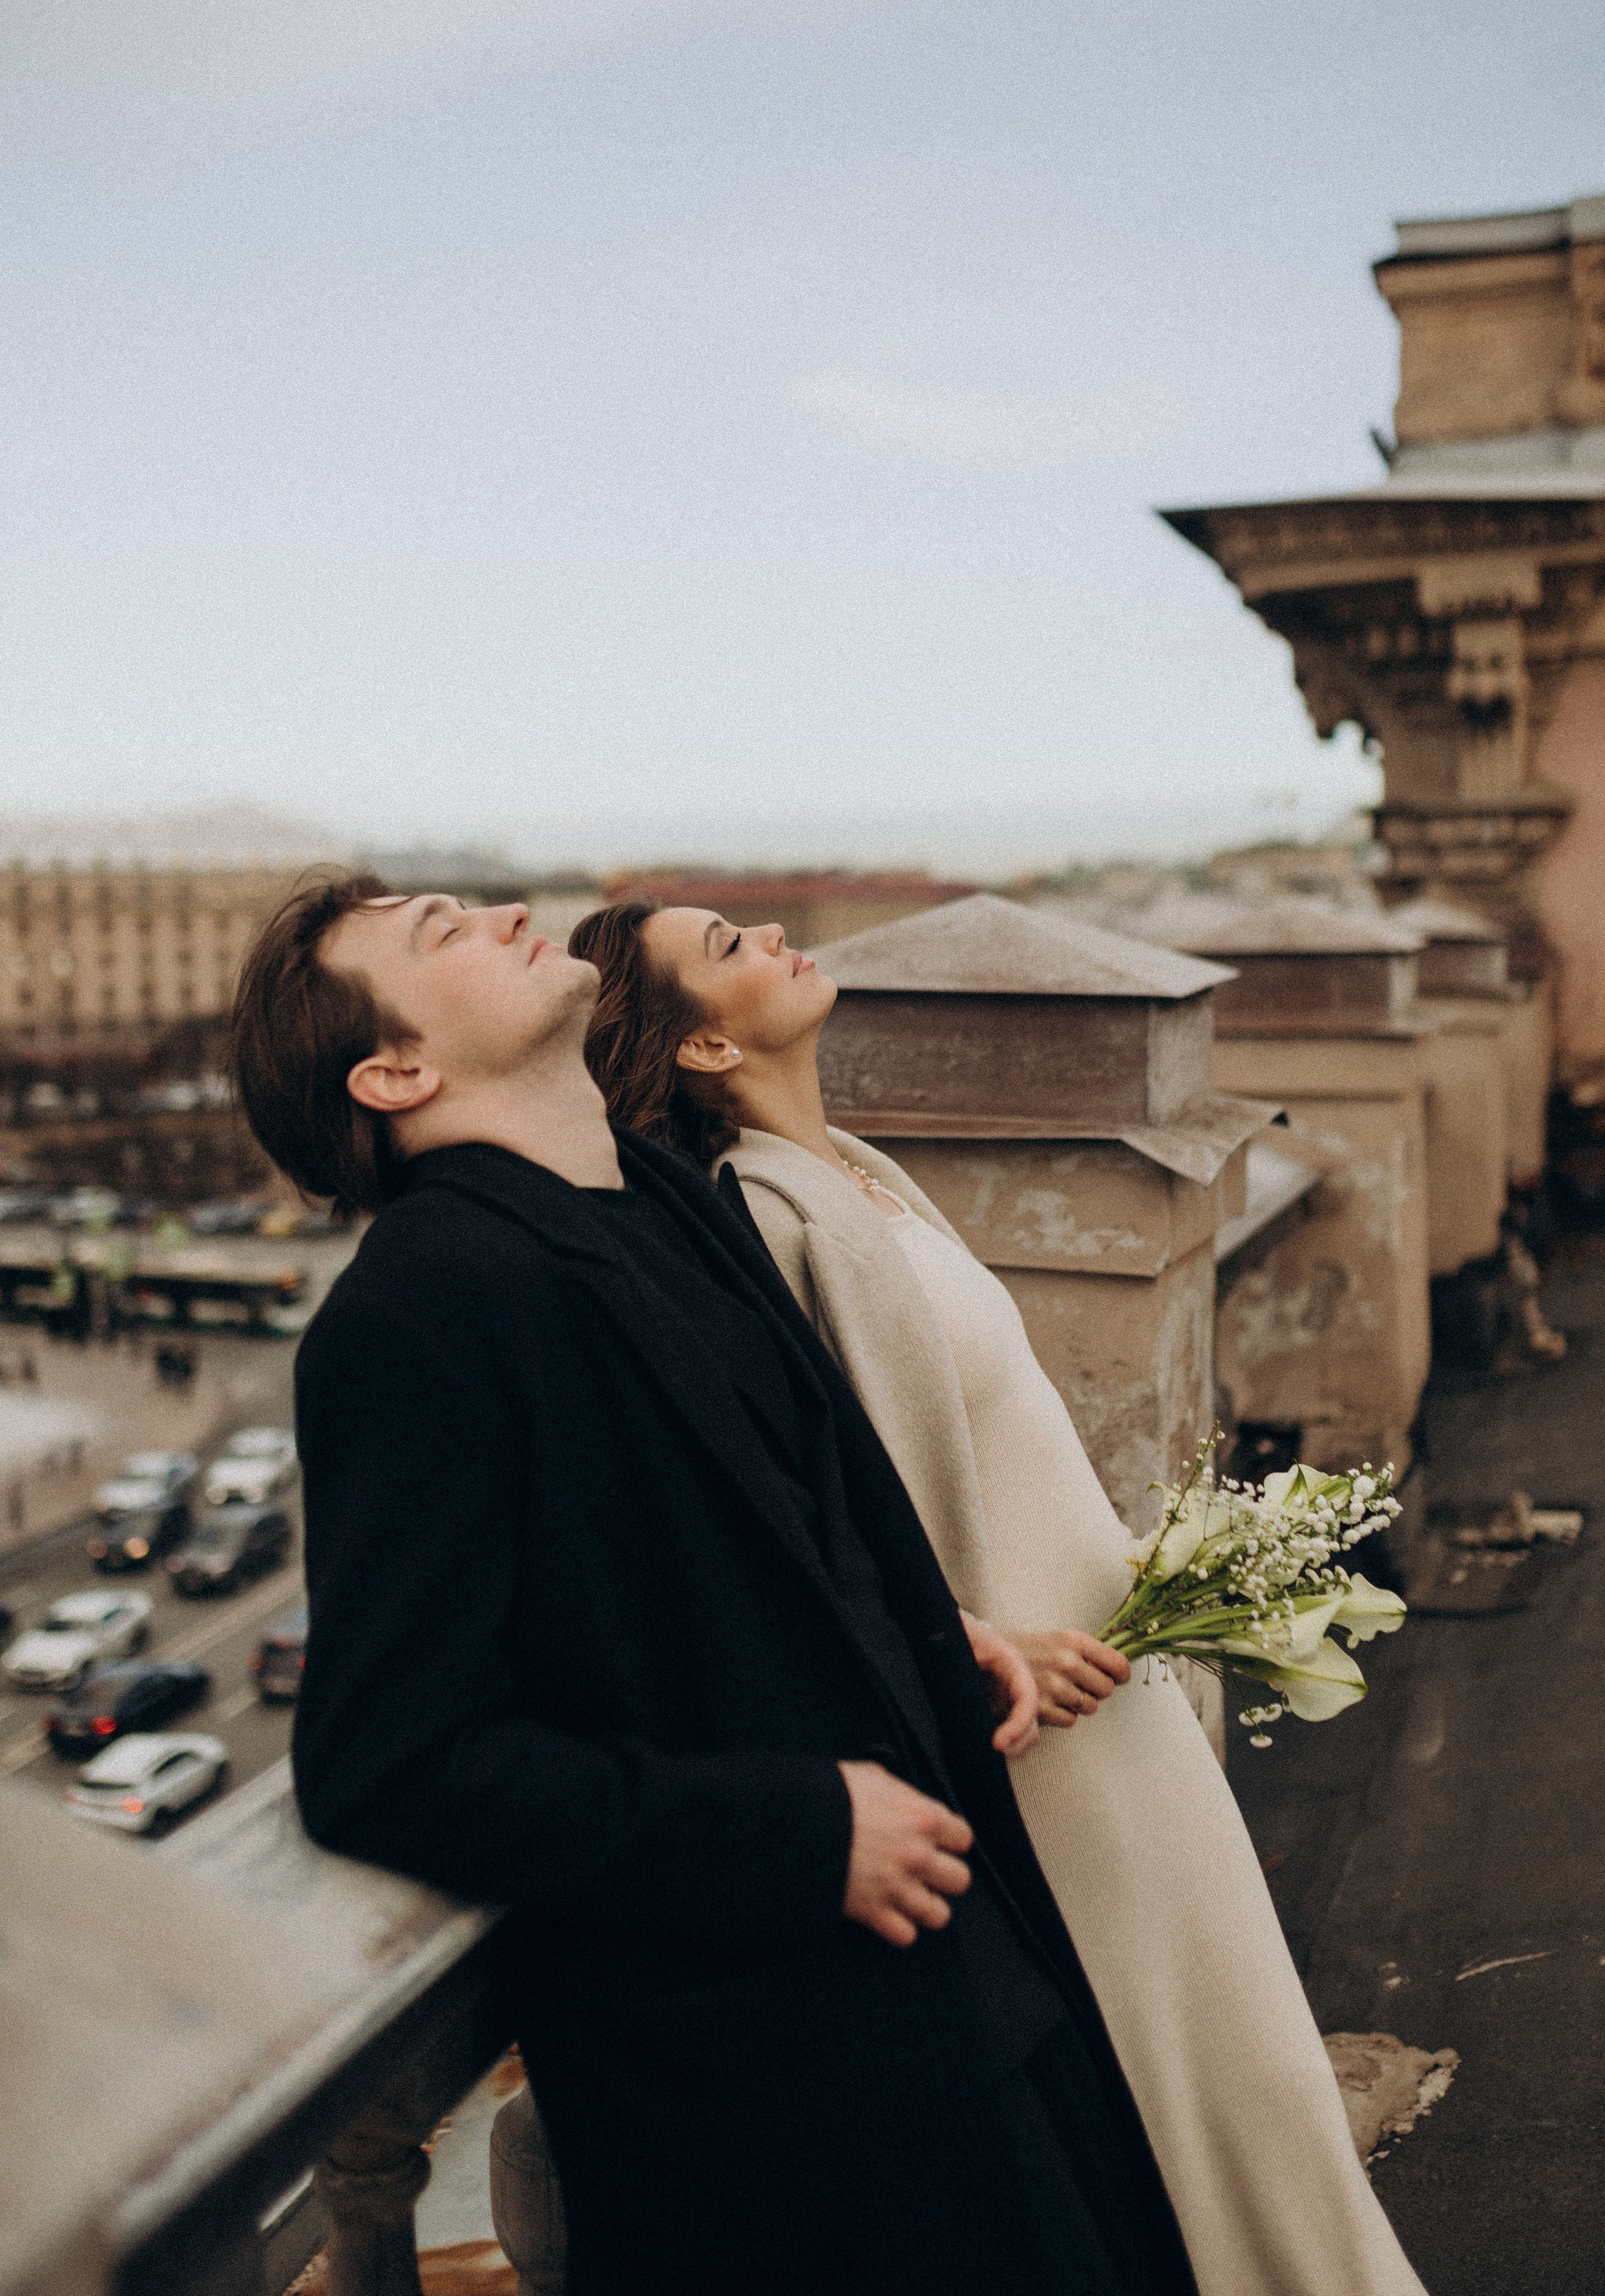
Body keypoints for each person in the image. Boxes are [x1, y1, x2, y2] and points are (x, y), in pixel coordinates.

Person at [229, 873, 1197, 2296]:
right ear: (395, 1070)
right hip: (775, 2102)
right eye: (443, 934)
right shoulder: (411, 1311)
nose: (499, 914)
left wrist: (932, 1642)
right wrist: (793, 1836)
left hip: (958, 1982)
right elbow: (390, 1763)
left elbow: (758, 1530)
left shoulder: (666, 1205)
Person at [561, 895, 1432, 2296]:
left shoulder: (849, 1172)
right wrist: (981, 1642)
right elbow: (828, 1517)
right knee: (1187, 2077)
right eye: (728, 947)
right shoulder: (763, 1224)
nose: (774, 930)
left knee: (1241, 2058)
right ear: (705, 1048)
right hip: (1039, 1721)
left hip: (1108, 1688)